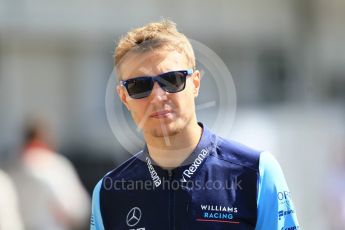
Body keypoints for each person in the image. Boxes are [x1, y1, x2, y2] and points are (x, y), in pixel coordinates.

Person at [91, 19, 299, 230]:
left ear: (196, 83)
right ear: (124, 97)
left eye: (172, 80)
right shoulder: (108, 193)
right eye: (139, 85)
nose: (158, 96)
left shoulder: (257, 172)